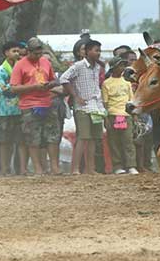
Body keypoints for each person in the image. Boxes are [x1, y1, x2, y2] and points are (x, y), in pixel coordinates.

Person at [10, 37, 61, 176]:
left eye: (40, 53)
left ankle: (55, 167)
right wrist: (34, 86)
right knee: (33, 138)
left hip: (47, 102)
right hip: (29, 105)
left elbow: (53, 79)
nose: (38, 56)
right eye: (35, 53)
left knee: (52, 136)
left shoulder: (45, 62)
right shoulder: (20, 65)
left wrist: (50, 85)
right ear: (28, 51)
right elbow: (14, 88)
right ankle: (38, 168)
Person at [59, 39, 105, 176]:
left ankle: (90, 169)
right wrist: (75, 95)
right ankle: (75, 169)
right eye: (96, 50)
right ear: (87, 52)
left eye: (99, 50)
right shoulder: (78, 66)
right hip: (82, 107)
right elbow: (64, 78)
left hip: (96, 106)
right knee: (82, 137)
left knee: (93, 138)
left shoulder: (98, 67)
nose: (98, 53)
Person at [101, 56, 138, 175]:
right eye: (120, 65)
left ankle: (131, 165)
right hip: (113, 115)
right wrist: (106, 119)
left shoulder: (127, 83)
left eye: (123, 65)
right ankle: (118, 166)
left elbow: (131, 100)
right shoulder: (106, 84)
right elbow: (105, 103)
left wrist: (134, 115)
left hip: (126, 115)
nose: (123, 68)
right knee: (115, 141)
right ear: (113, 68)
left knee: (128, 141)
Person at [0, 41, 26, 176]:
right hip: (4, 111)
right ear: (6, 53)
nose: (17, 54)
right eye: (14, 51)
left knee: (20, 140)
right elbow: (3, 90)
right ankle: (4, 168)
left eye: (18, 51)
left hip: (19, 109)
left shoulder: (21, 68)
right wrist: (22, 88)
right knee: (4, 141)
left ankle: (20, 169)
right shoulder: (0, 70)